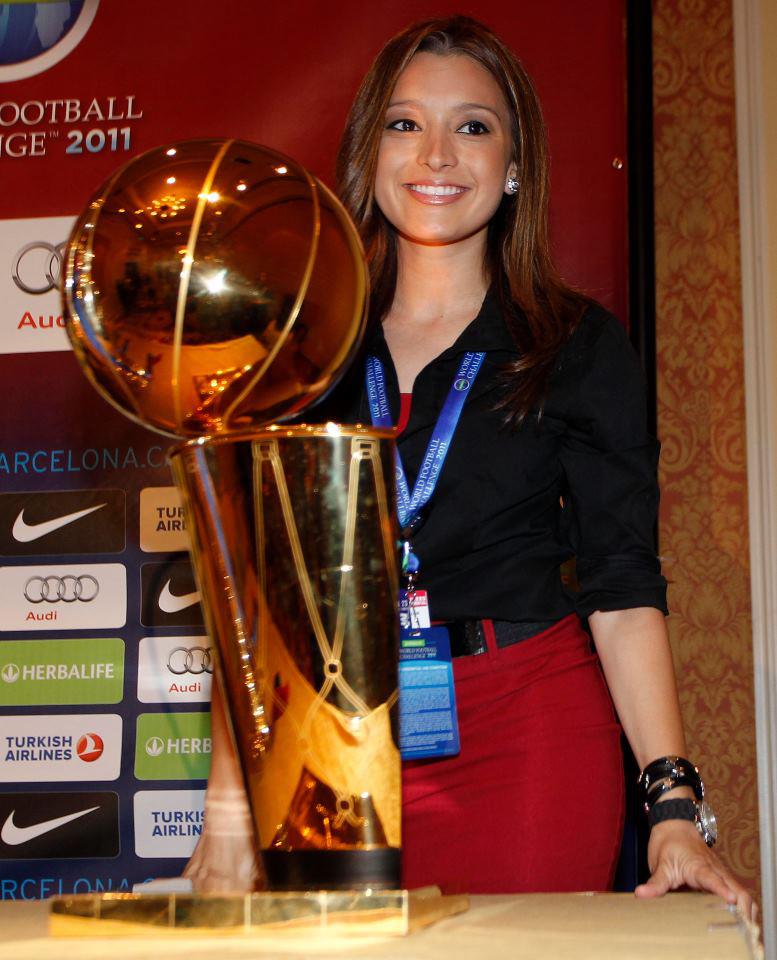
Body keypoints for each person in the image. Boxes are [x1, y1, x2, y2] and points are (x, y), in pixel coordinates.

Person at [185, 15, 753, 915]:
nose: (437, 154)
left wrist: (672, 803)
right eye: (405, 124)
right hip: (328, 745)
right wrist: (224, 816)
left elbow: (621, 586)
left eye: (473, 126)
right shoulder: (298, 352)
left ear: (515, 163)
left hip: (526, 732)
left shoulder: (574, 345)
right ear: (368, 153)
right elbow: (255, 604)